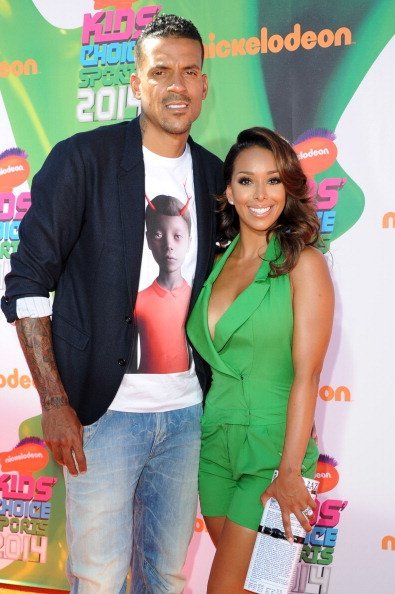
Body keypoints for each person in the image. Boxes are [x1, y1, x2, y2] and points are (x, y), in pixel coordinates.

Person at [1, 14, 223, 594]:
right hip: (102, 416)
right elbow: (26, 283)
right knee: (98, 579)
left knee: (166, 577)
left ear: (203, 84)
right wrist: (54, 402)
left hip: (186, 417)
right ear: (137, 84)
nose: (177, 84)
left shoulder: (214, 175)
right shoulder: (83, 161)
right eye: (161, 71)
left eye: (189, 71)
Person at [187, 127, 334, 593]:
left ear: (288, 187)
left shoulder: (303, 263)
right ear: (228, 191)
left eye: (273, 180)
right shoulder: (212, 265)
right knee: (255, 589)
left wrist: (290, 471)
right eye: (246, 181)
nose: (260, 194)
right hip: (214, 448)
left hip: (274, 453)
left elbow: (308, 375)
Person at [136, 194, 192, 373]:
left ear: (189, 240)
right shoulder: (138, 302)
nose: (169, 245)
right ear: (148, 239)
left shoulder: (198, 297)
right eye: (159, 234)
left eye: (177, 236)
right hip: (143, 396)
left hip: (190, 396)